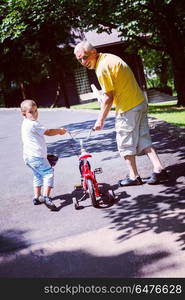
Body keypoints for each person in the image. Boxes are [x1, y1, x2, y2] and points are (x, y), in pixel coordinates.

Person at [74, 41, 168, 186]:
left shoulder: (102, 67)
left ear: (93, 52)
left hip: (128, 108)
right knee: (143, 138)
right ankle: (159, 169)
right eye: (79, 59)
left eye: (84, 57)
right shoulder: (109, 58)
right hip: (139, 103)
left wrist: (100, 120)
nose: (83, 62)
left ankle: (133, 176)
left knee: (124, 143)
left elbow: (108, 97)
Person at [20, 99, 67, 210]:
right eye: (31, 112)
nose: (35, 114)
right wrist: (60, 131)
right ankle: (46, 197)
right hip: (37, 156)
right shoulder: (33, 124)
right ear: (24, 114)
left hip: (28, 157)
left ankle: (37, 197)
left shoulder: (25, 122)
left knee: (38, 175)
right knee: (48, 173)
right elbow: (48, 132)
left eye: (36, 111)